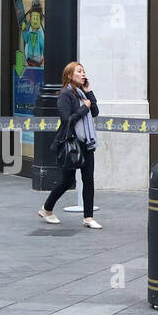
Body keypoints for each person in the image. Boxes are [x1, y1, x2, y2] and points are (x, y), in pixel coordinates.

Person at [39, 61, 102, 229]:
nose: (83, 74)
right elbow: (67, 120)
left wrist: (89, 93)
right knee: (67, 181)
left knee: (89, 180)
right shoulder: (65, 95)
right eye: (79, 71)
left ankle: (88, 218)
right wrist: (83, 109)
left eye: (83, 71)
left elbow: (95, 112)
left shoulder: (82, 93)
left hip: (86, 143)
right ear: (69, 75)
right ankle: (47, 209)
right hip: (71, 143)